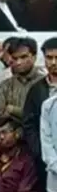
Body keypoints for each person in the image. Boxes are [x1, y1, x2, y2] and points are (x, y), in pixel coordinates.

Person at [23, 37, 57, 171]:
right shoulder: (36, 89)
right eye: (49, 58)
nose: (53, 62)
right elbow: (29, 124)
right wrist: (39, 151)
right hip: (45, 159)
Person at [0, 37, 44, 119]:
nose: (18, 62)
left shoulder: (45, 83)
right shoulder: (5, 86)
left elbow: (43, 115)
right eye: (15, 58)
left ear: (34, 57)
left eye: (23, 57)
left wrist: (12, 109)